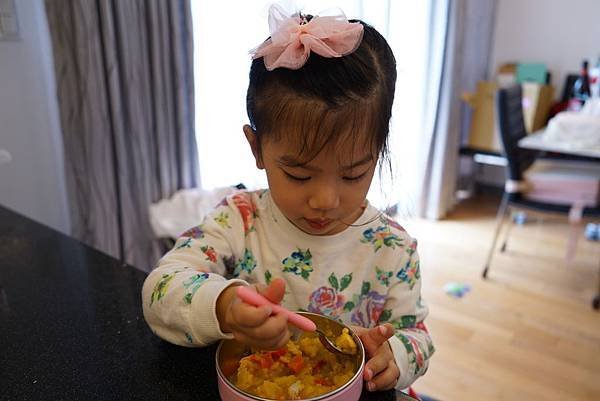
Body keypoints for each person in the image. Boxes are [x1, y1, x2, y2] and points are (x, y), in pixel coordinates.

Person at [142, 4, 434, 392]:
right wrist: (224, 306)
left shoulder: (392, 248)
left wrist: (394, 356)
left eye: (353, 174)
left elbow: (417, 335)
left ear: (378, 152)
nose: (326, 199)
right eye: (299, 174)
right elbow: (161, 289)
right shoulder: (239, 221)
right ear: (257, 148)